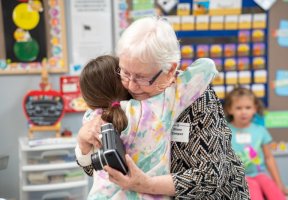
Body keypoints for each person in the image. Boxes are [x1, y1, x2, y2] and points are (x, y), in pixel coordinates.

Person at [76, 16, 250, 199]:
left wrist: (146, 185)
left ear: (170, 70)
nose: (132, 86)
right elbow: (98, 170)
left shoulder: (193, 94)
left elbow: (211, 177)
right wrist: (83, 143)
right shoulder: (122, 91)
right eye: (125, 72)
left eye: (143, 77)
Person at [78, 52, 217, 199]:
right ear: (123, 82)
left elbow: (88, 164)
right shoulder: (160, 105)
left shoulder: (90, 119)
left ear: (89, 100)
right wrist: (168, 74)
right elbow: (207, 67)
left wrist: (82, 140)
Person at [224, 87, 288, 200]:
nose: (244, 112)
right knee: (254, 190)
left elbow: (269, 158)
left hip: (259, 174)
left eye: (248, 107)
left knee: (272, 189)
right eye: (238, 108)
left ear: (255, 109)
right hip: (238, 177)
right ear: (230, 109)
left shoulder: (260, 131)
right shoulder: (225, 131)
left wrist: (280, 186)